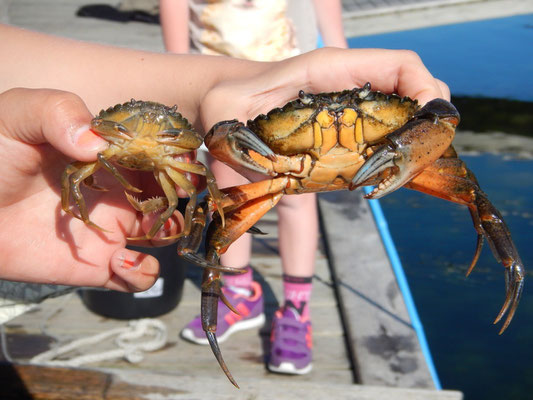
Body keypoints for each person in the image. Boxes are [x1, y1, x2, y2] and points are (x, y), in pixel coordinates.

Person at [0, 21, 448, 348]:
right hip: (264, 130)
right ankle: (233, 290)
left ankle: (295, 305)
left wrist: (215, 86)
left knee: (272, 205)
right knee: (220, 207)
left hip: (274, 90)